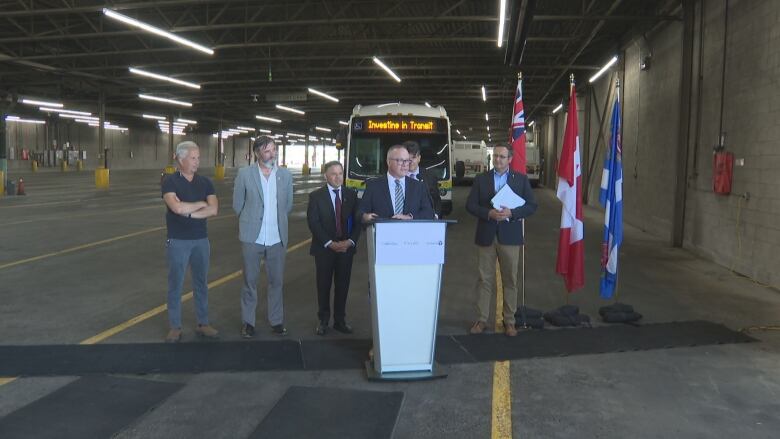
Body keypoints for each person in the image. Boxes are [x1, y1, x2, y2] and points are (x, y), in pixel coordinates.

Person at [466, 143, 537, 337]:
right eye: (495, 156)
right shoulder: (481, 179)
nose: (497, 159)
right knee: (484, 279)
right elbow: (470, 205)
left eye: (502, 157)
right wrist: (488, 213)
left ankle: (510, 321)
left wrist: (512, 212)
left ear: (510, 159)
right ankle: (481, 320)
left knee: (510, 280)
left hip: (510, 237)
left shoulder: (520, 180)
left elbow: (532, 205)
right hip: (486, 236)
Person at [233, 136, 294, 337]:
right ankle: (248, 322)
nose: (272, 154)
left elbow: (287, 205)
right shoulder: (244, 174)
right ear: (257, 153)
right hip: (252, 237)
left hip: (277, 237)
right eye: (268, 151)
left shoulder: (284, 175)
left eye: (274, 150)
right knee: (250, 281)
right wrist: (250, 221)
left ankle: (276, 321)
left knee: (276, 281)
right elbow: (237, 205)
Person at [161, 141, 219, 342]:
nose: (197, 162)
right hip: (178, 241)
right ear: (180, 159)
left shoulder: (205, 182)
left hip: (201, 241)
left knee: (201, 283)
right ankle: (175, 326)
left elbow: (213, 209)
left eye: (198, 158)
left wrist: (189, 212)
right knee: (175, 284)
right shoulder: (170, 182)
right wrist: (199, 205)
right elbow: (176, 208)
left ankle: (203, 323)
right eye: (193, 158)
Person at [307, 161, 361, 335]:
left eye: (340, 173)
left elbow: (358, 222)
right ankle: (323, 320)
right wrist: (330, 243)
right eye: (333, 174)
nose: (338, 177)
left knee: (342, 285)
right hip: (324, 249)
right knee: (323, 285)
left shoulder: (351, 195)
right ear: (326, 176)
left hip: (346, 249)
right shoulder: (316, 196)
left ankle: (340, 320)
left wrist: (350, 241)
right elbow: (314, 223)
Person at [359, 144, 435, 222]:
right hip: (383, 232)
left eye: (407, 160)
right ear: (388, 162)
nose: (405, 164)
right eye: (400, 160)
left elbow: (429, 213)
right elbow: (360, 213)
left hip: (411, 232)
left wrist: (410, 217)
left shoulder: (419, 187)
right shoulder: (373, 186)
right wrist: (364, 216)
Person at [403, 140, 442, 218]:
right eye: (407, 159)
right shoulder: (397, 177)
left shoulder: (430, 176)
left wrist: (435, 215)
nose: (411, 162)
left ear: (419, 158)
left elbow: (436, 200)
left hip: (425, 221)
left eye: (413, 158)